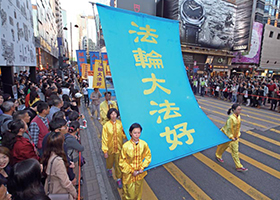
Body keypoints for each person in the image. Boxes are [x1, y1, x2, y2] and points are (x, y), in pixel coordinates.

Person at [119, 123, 152, 200]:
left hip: (140, 174)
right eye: (135, 133)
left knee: (138, 193)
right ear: (130, 133)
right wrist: (131, 171)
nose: (137, 135)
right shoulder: (126, 146)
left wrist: (142, 167)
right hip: (129, 175)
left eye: (139, 132)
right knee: (129, 195)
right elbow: (122, 161)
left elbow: (148, 156)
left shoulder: (144, 144)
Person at [42, 132, 77, 200]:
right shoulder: (58, 161)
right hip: (59, 191)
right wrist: (74, 193)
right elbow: (65, 182)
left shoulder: (48, 155)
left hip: (51, 189)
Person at [215, 103, 248, 172]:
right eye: (238, 109)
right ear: (234, 110)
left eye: (240, 109)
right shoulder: (231, 118)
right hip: (227, 136)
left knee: (235, 151)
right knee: (222, 147)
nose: (240, 111)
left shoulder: (238, 116)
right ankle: (218, 155)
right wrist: (231, 137)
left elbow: (238, 127)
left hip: (235, 137)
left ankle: (238, 166)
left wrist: (237, 135)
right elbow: (228, 128)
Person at [102, 108, 126, 188]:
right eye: (112, 114)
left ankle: (119, 178)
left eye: (115, 114)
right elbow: (104, 139)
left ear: (117, 115)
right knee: (109, 162)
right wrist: (105, 151)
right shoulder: (106, 126)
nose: (113, 116)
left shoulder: (120, 124)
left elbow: (123, 135)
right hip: (109, 149)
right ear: (109, 115)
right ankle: (109, 169)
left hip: (119, 149)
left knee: (118, 164)